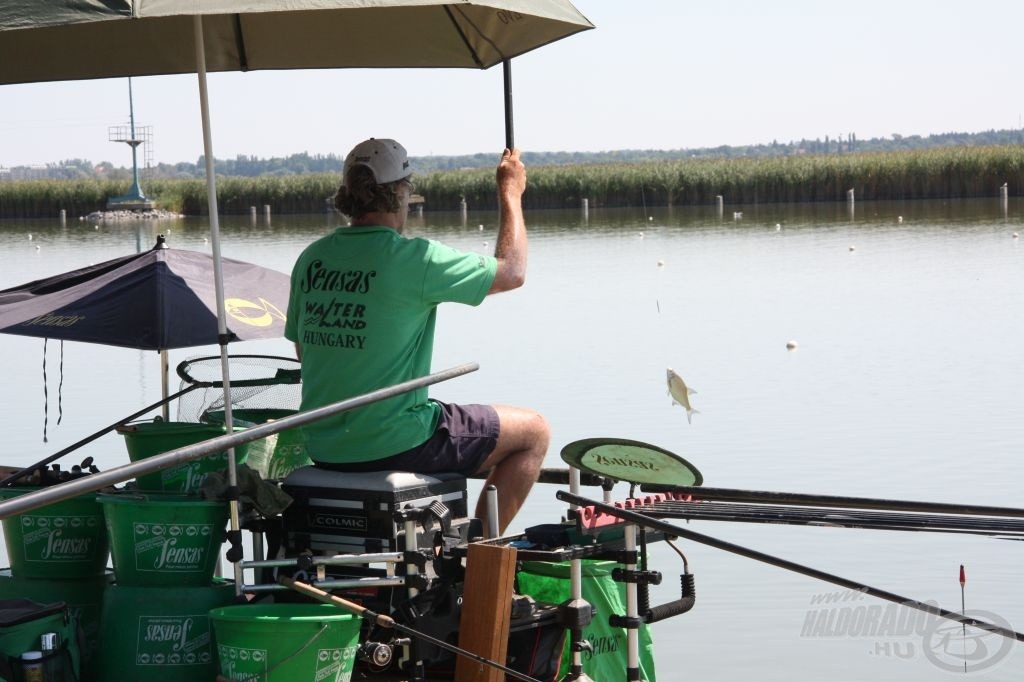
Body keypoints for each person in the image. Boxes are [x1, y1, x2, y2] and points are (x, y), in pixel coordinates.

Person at [284, 138, 548, 535]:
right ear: (399, 193)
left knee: (449, 415)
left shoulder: (312, 258)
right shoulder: (416, 259)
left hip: (324, 445)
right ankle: (479, 558)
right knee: (533, 432)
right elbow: (512, 271)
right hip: (397, 441)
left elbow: (305, 353)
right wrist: (510, 192)